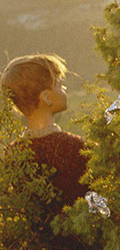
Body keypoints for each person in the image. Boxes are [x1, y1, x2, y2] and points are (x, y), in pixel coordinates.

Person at [1, 52, 91, 214]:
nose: (63, 88)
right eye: (57, 84)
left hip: (37, 239)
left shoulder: (12, 153)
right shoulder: (75, 147)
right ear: (46, 98)